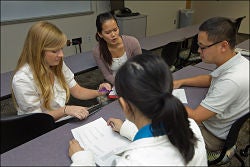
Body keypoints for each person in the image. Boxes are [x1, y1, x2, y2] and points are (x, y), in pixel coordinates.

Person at [68, 54, 207, 166]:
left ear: (124, 104)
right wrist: (126, 129)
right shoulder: (190, 125)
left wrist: (82, 159)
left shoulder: (133, 161)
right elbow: (158, 139)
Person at [173, 17, 249, 154]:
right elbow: (210, 79)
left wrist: (164, 98)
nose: (198, 51)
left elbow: (196, 116)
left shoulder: (231, 81)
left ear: (223, 46)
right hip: (216, 125)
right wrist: (181, 82)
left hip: (212, 137)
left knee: (160, 131)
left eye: (203, 47)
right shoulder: (237, 61)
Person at [12, 21, 111, 123]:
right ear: (38, 51)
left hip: (61, 118)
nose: (61, 54)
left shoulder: (57, 65)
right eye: (54, 51)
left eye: (61, 49)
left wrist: (100, 92)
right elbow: (37, 120)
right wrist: (65, 110)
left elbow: (77, 91)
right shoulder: (22, 80)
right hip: (39, 128)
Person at [93, 12, 142, 85]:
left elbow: (140, 66)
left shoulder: (132, 42)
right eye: (108, 32)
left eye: (115, 30)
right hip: (115, 82)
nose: (113, 35)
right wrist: (120, 84)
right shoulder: (97, 51)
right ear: (100, 34)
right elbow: (107, 75)